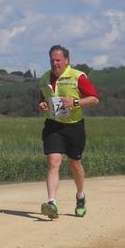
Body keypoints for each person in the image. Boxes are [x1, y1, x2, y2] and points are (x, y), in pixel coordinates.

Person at [37, 45, 99, 219]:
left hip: (74, 126)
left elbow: (94, 99)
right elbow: (43, 99)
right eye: (52, 60)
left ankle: (80, 196)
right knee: (53, 161)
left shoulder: (77, 76)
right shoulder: (44, 78)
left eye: (58, 60)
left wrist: (75, 103)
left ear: (66, 60)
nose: (55, 63)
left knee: (75, 164)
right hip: (53, 125)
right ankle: (52, 203)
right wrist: (41, 104)